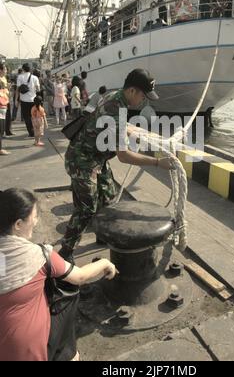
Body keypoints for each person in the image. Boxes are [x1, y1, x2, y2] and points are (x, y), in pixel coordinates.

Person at [59, 69, 175, 262]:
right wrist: (157, 162)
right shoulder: (115, 108)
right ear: (132, 91)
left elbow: (122, 126)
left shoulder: (115, 98)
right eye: (143, 96)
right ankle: (65, 252)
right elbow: (124, 156)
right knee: (86, 209)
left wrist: (147, 134)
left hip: (97, 158)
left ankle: (103, 236)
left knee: (109, 198)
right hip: (83, 161)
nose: (144, 101)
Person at [0, 188, 117, 362]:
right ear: (18, 224)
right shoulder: (39, 255)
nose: (36, 220)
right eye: (34, 216)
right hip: (26, 344)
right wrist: (104, 263)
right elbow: (80, 277)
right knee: (71, 352)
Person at [17, 63, 40, 138]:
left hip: (24, 100)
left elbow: (18, 89)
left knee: (27, 117)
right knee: (35, 116)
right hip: (33, 100)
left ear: (23, 69)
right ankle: (36, 131)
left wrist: (17, 100)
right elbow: (38, 89)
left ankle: (31, 133)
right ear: (31, 69)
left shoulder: (20, 77)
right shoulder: (35, 78)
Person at [0, 63, 13, 136]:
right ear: (0, 70)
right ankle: (2, 133)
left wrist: (8, 87)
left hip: (6, 98)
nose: (6, 71)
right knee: (2, 117)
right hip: (1, 100)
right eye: (5, 69)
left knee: (8, 115)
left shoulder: (4, 77)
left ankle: (8, 130)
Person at [0, 80, 10, 155]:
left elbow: (7, 100)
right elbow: (4, 101)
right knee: (0, 131)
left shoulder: (3, 91)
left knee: (2, 130)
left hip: (3, 112)